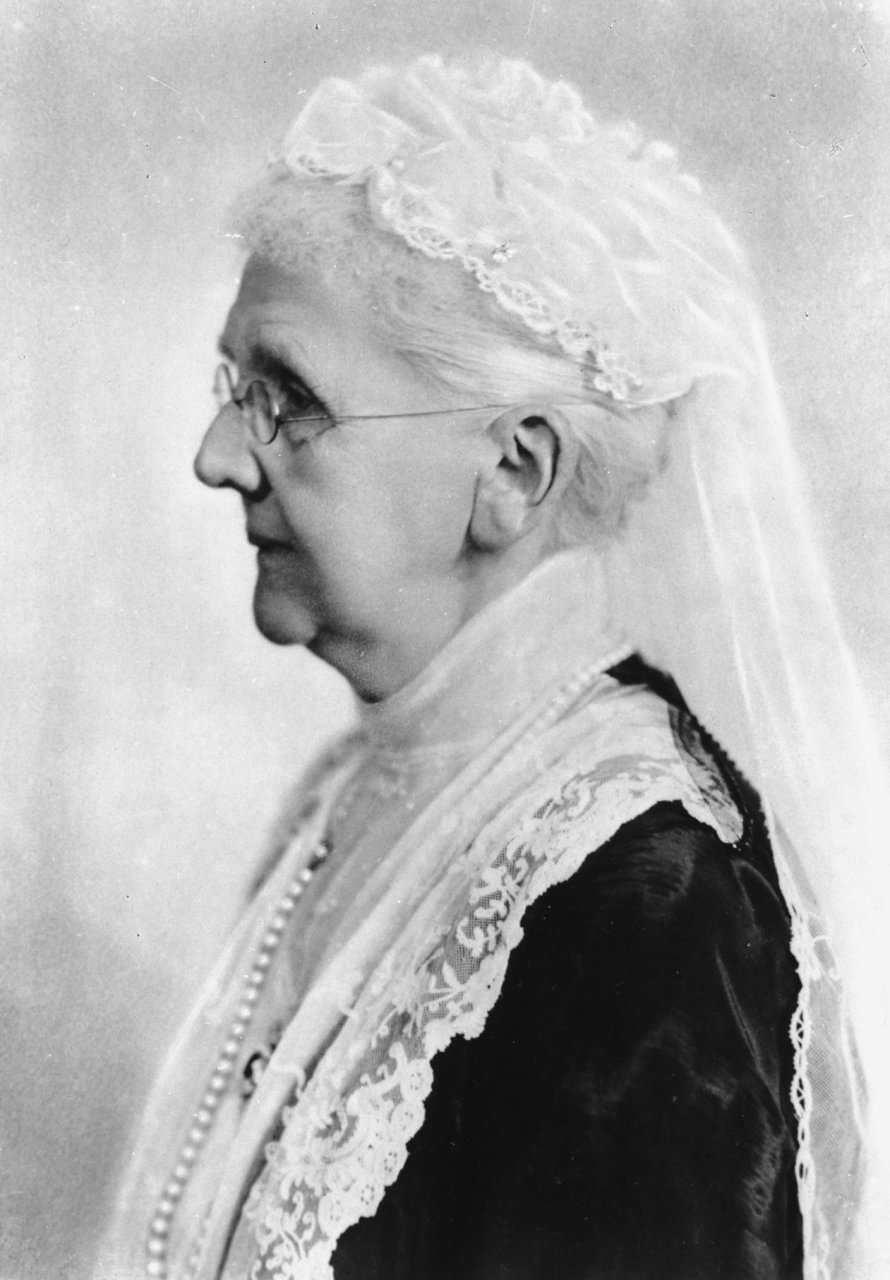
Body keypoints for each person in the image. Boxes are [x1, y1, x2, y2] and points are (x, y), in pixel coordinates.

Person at [97, 56, 889, 1280]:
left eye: (287, 398)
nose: (217, 456)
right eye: (232, 386)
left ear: (515, 470)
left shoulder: (649, 914)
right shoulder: (347, 792)